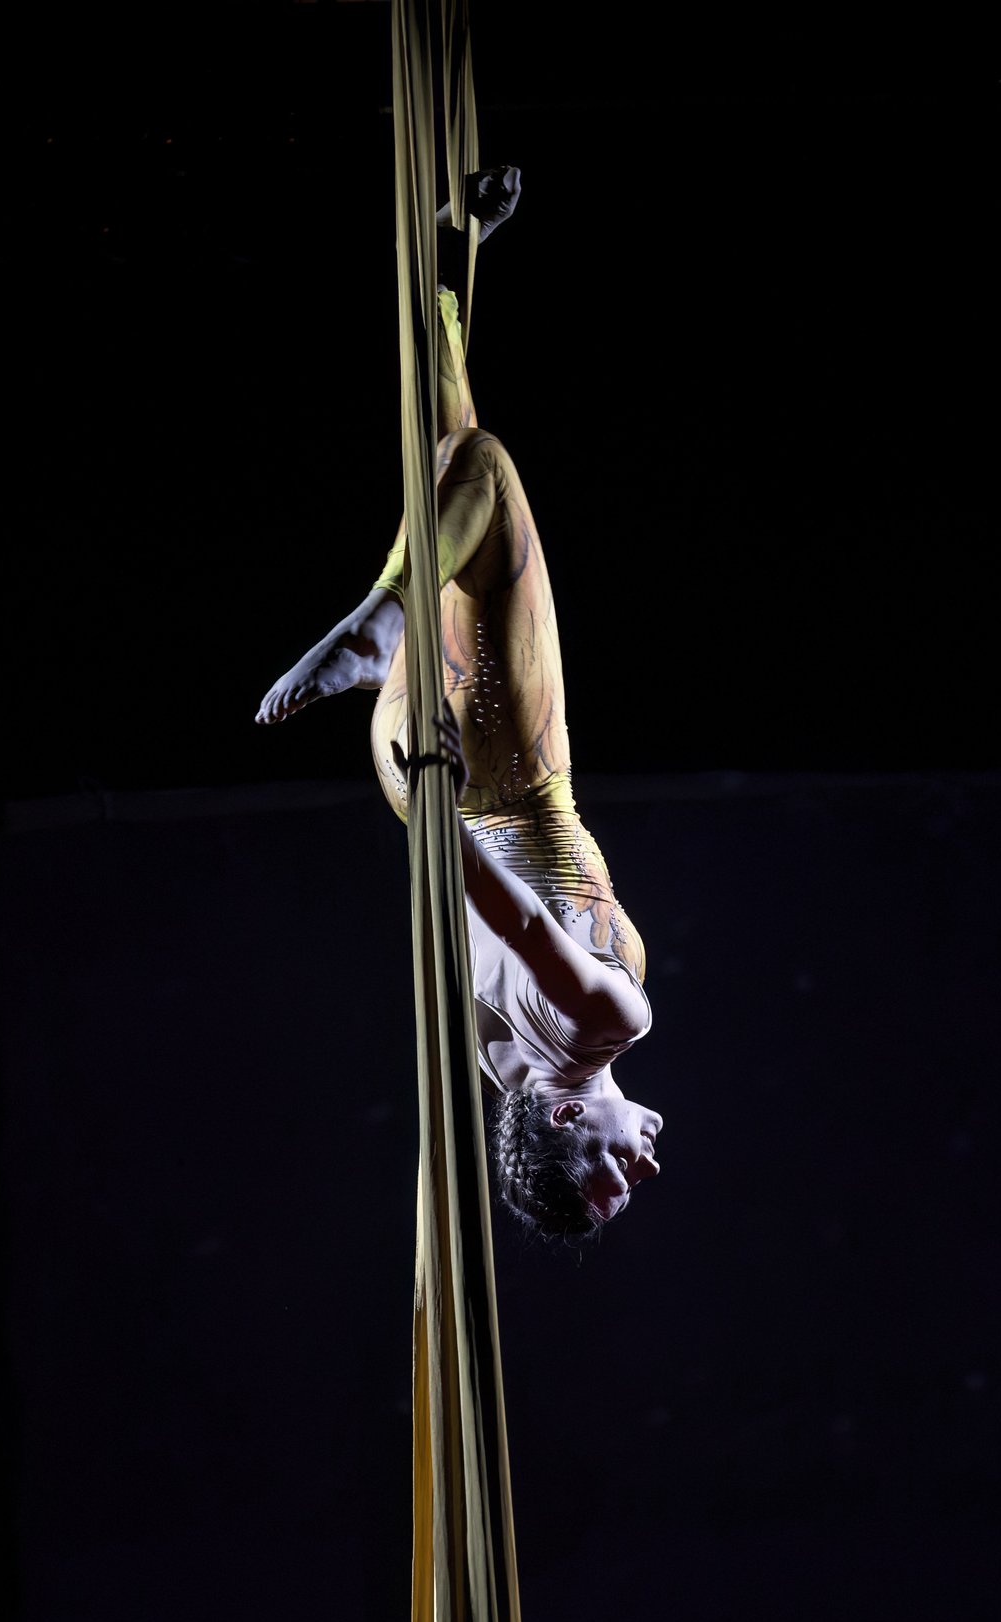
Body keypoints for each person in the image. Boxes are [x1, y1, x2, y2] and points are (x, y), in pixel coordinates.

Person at [256, 166, 663, 1239]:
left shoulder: (607, 1021)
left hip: (491, 770)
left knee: (484, 469)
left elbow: (519, 917)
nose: (650, 1163)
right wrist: (422, 794)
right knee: (450, 485)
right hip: (414, 769)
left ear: (566, 1115)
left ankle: (376, 625)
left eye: (617, 1170)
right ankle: (444, 265)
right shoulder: (501, 1064)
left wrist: (444, 804)